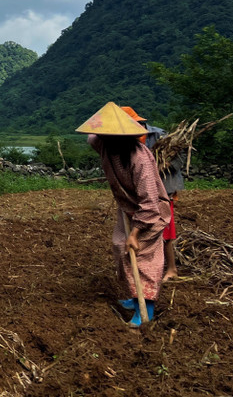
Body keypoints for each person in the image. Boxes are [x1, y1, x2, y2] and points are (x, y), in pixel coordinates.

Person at [78, 102, 171, 326]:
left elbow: (149, 204)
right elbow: (92, 135)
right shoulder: (103, 144)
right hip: (127, 208)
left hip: (150, 215)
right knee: (121, 248)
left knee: (143, 258)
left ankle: (145, 308)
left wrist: (135, 234)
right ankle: (133, 296)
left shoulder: (139, 159)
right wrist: (108, 116)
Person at [120, 106, 183, 281]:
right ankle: (142, 275)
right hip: (140, 193)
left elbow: (178, 160)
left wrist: (157, 168)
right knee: (142, 232)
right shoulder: (126, 141)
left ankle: (171, 269)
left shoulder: (158, 136)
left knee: (165, 231)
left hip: (163, 190)